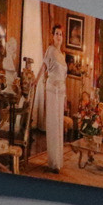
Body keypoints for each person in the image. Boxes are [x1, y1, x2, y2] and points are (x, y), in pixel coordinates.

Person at [33, 25, 68, 170]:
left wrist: (65, 97)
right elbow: (43, 66)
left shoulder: (62, 55)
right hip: (52, 89)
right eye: (57, 34)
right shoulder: (50, 50)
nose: (59, 36)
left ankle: (58, 161)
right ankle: (53, 162)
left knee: (59, 124)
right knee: (53, 124)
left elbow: (64, 78)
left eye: (61, 34)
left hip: (61, 91)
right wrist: (36, 80)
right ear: (53, 36)